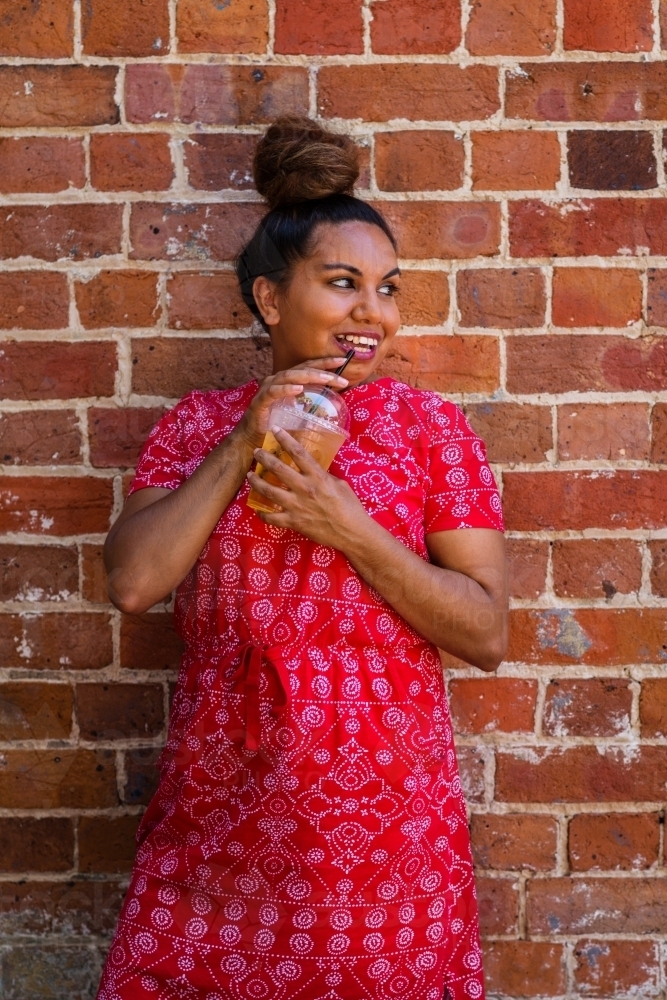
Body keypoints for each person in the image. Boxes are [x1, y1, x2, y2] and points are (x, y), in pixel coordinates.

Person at [97, 116, 508, 1000]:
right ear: (270, 299)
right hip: (222, 809)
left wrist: (347, 526)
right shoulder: (196, 426)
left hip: (384, 834)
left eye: (387, 287)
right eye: (342, 283)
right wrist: (245, 438)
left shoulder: (427, 431)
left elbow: (484, 631)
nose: (373, 311)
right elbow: (134, 582)